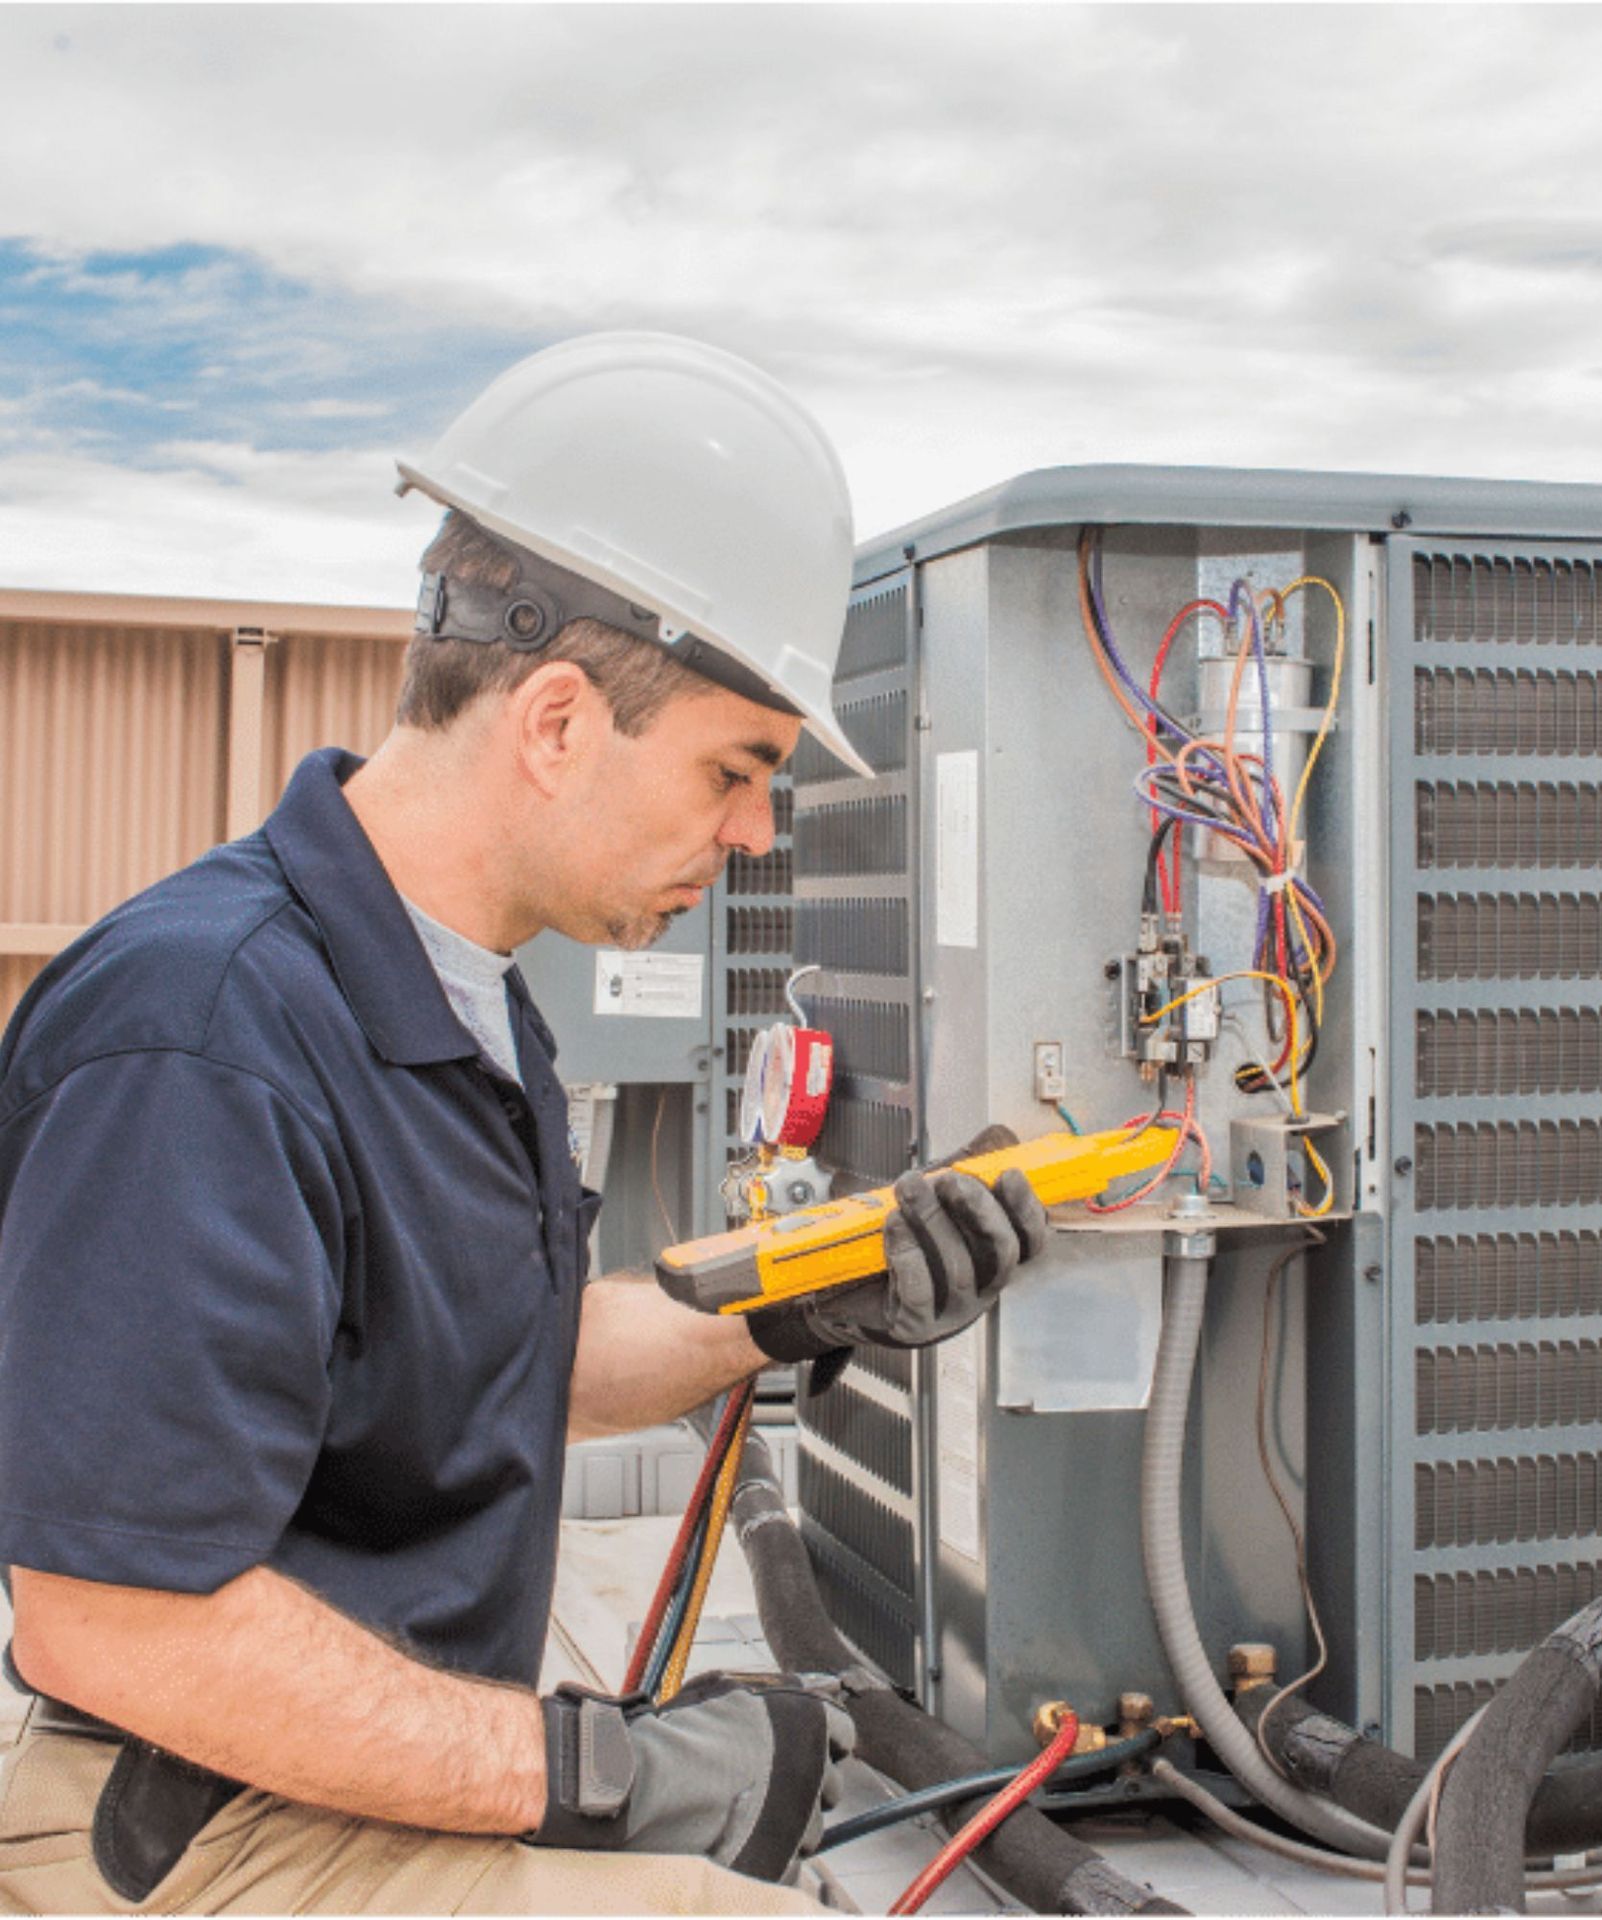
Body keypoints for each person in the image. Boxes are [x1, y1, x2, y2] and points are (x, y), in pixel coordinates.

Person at [0, 335, 1047, 1914]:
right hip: (192, 1830)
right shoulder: (205, 1038)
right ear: (557, 720)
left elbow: (510, 1361)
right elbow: (116, 1618)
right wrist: (593, 1773)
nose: (756, 833)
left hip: (332, 1787)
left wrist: (818, 1294)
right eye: (738, 767)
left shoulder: (461, 1000)